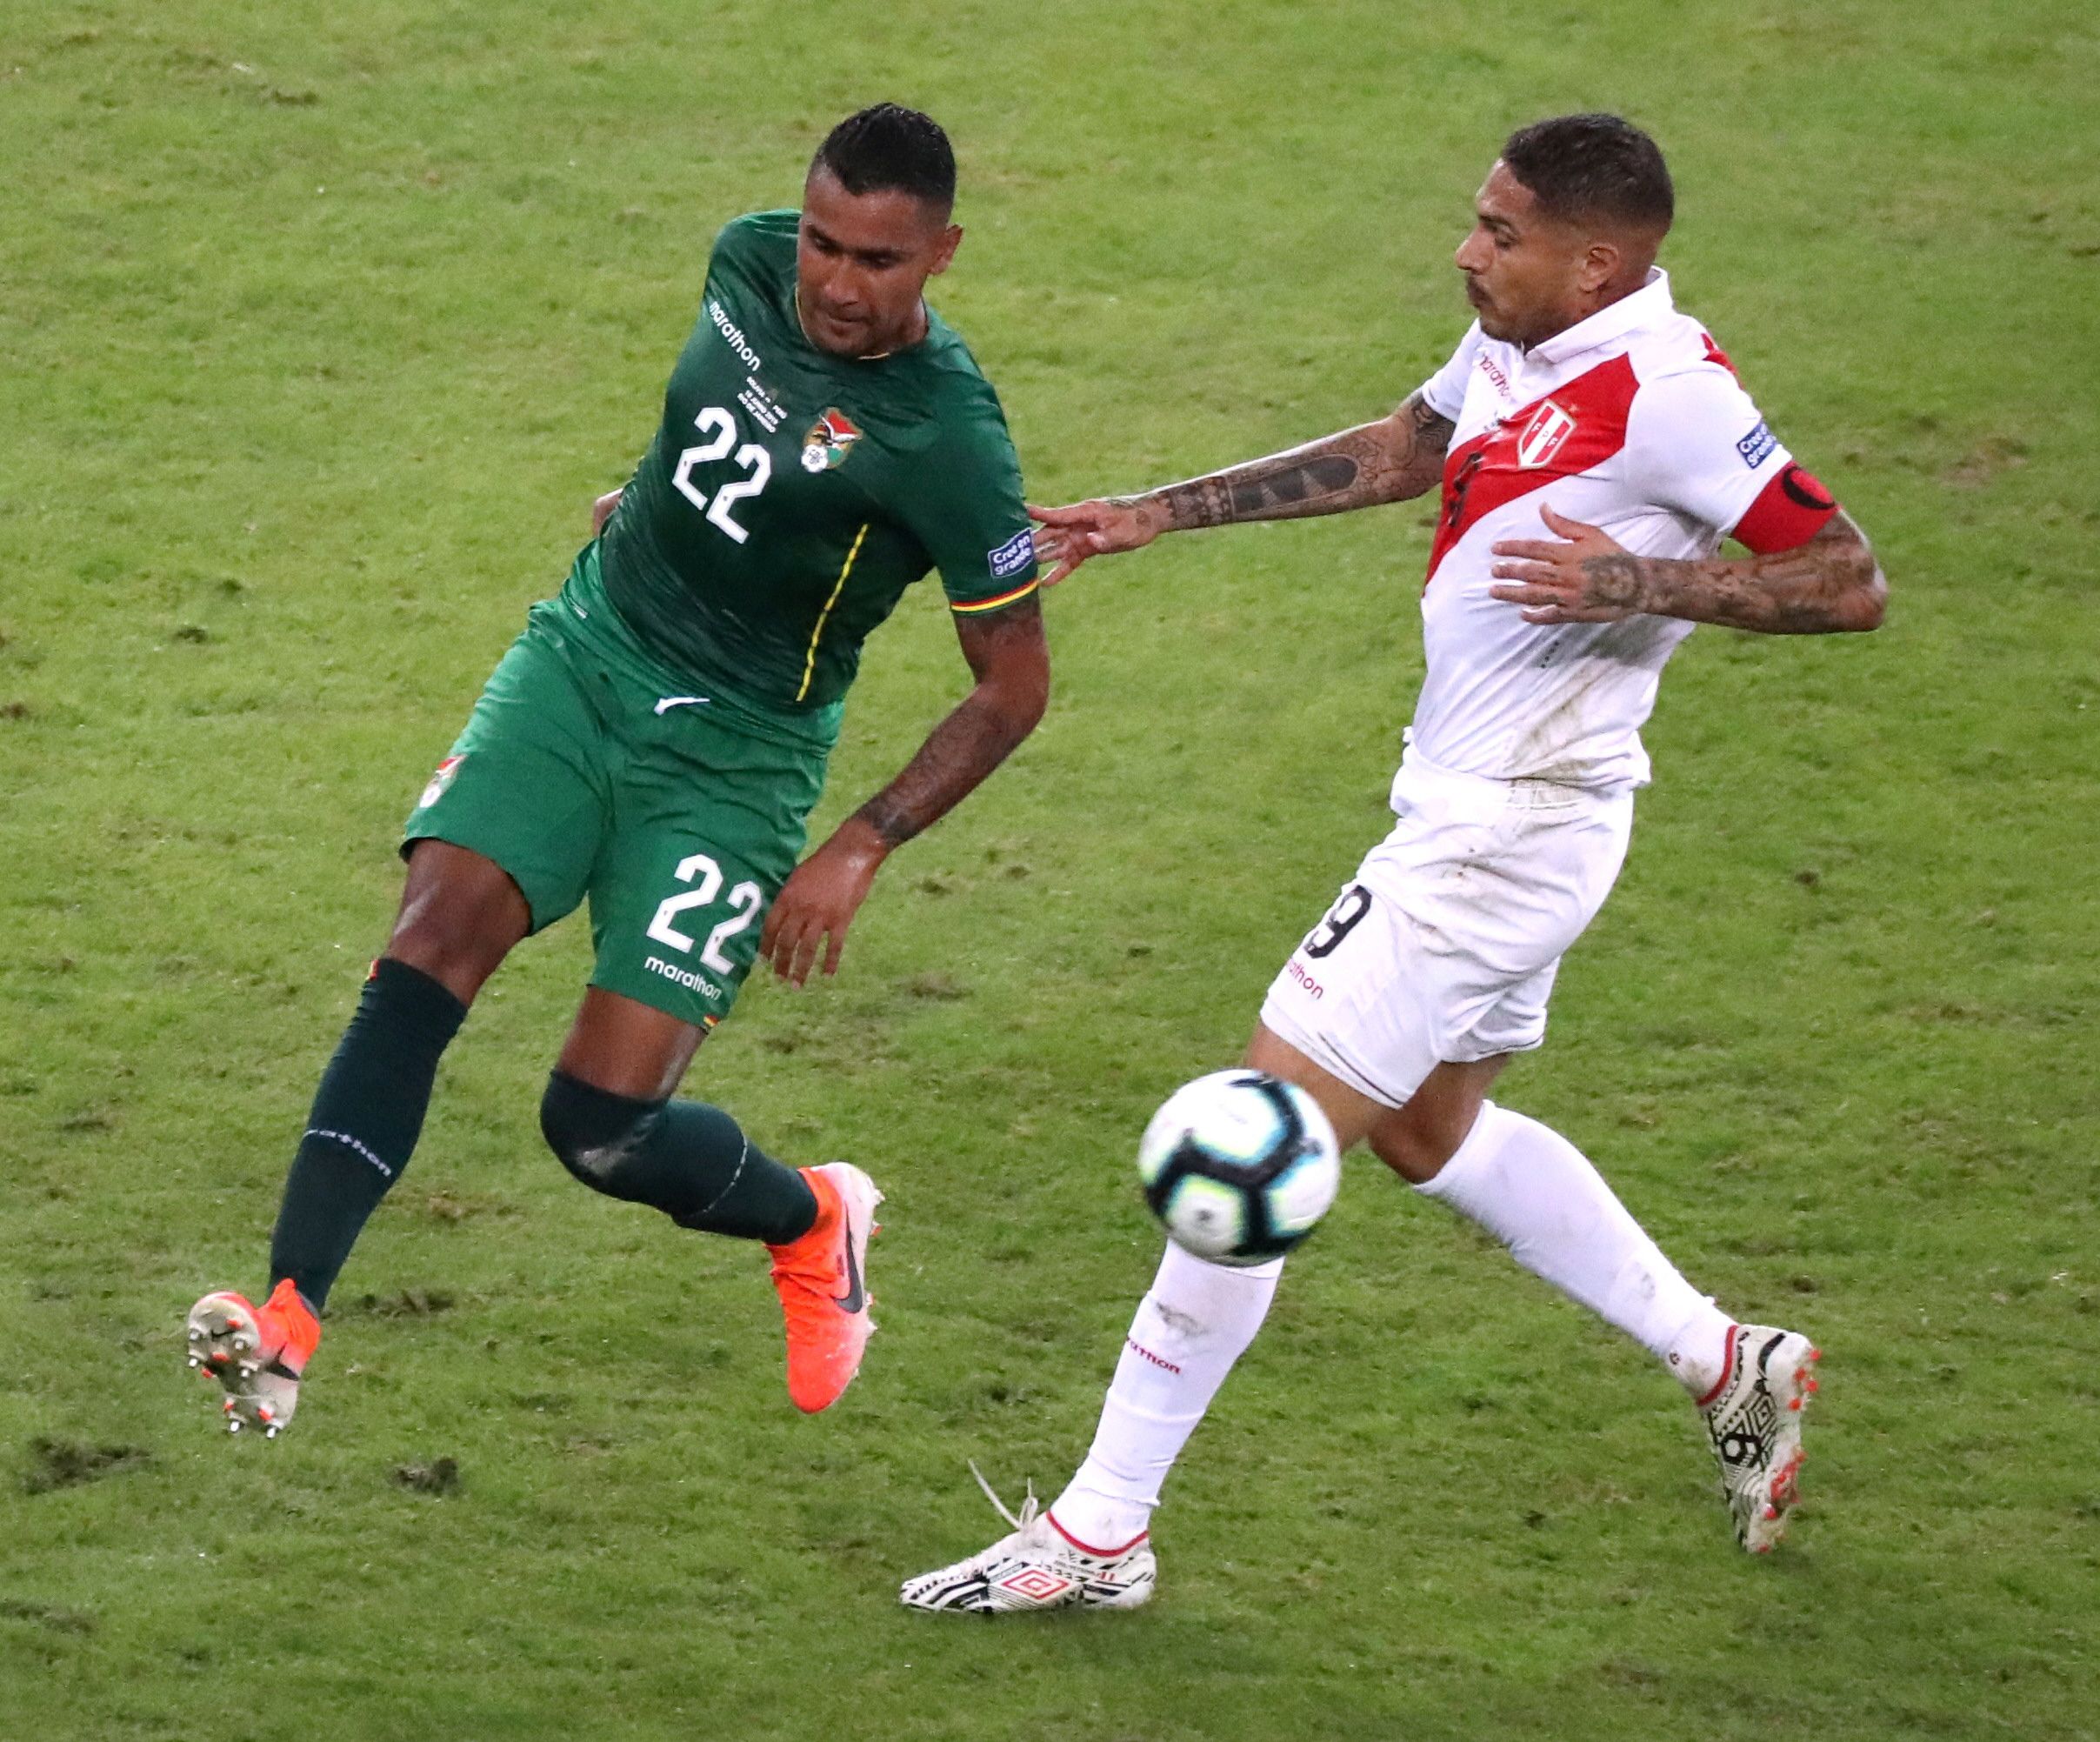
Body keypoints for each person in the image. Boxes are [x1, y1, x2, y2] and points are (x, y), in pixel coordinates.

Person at [901, 112, 1885, 1613]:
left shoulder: (1670, 395)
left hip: (1505, 835)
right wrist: (1158, 513)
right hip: (1492, 816)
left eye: (1501, 233)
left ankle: (1101, 1532)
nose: (1467, 251)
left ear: (1596, 264)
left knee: (1254, 1144)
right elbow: (1405, 446)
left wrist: (1639, 578)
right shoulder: (1520, 339)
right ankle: (1724, 1359)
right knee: (1428, 1132)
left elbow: (1848, 579)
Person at [186, 103, 1050, 1435]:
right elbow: (720, 427)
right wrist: (648, 497)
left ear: (943, 252)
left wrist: (859, 843)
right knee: (430, 940)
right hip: (589, 656)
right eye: (824, 242)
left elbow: (1014, 687)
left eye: (878, 260)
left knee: (600, 1128)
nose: (835, 282)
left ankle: (814, 1220)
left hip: (737, 755)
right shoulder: (745, 259)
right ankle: (289, 1319)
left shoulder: (950, 441)